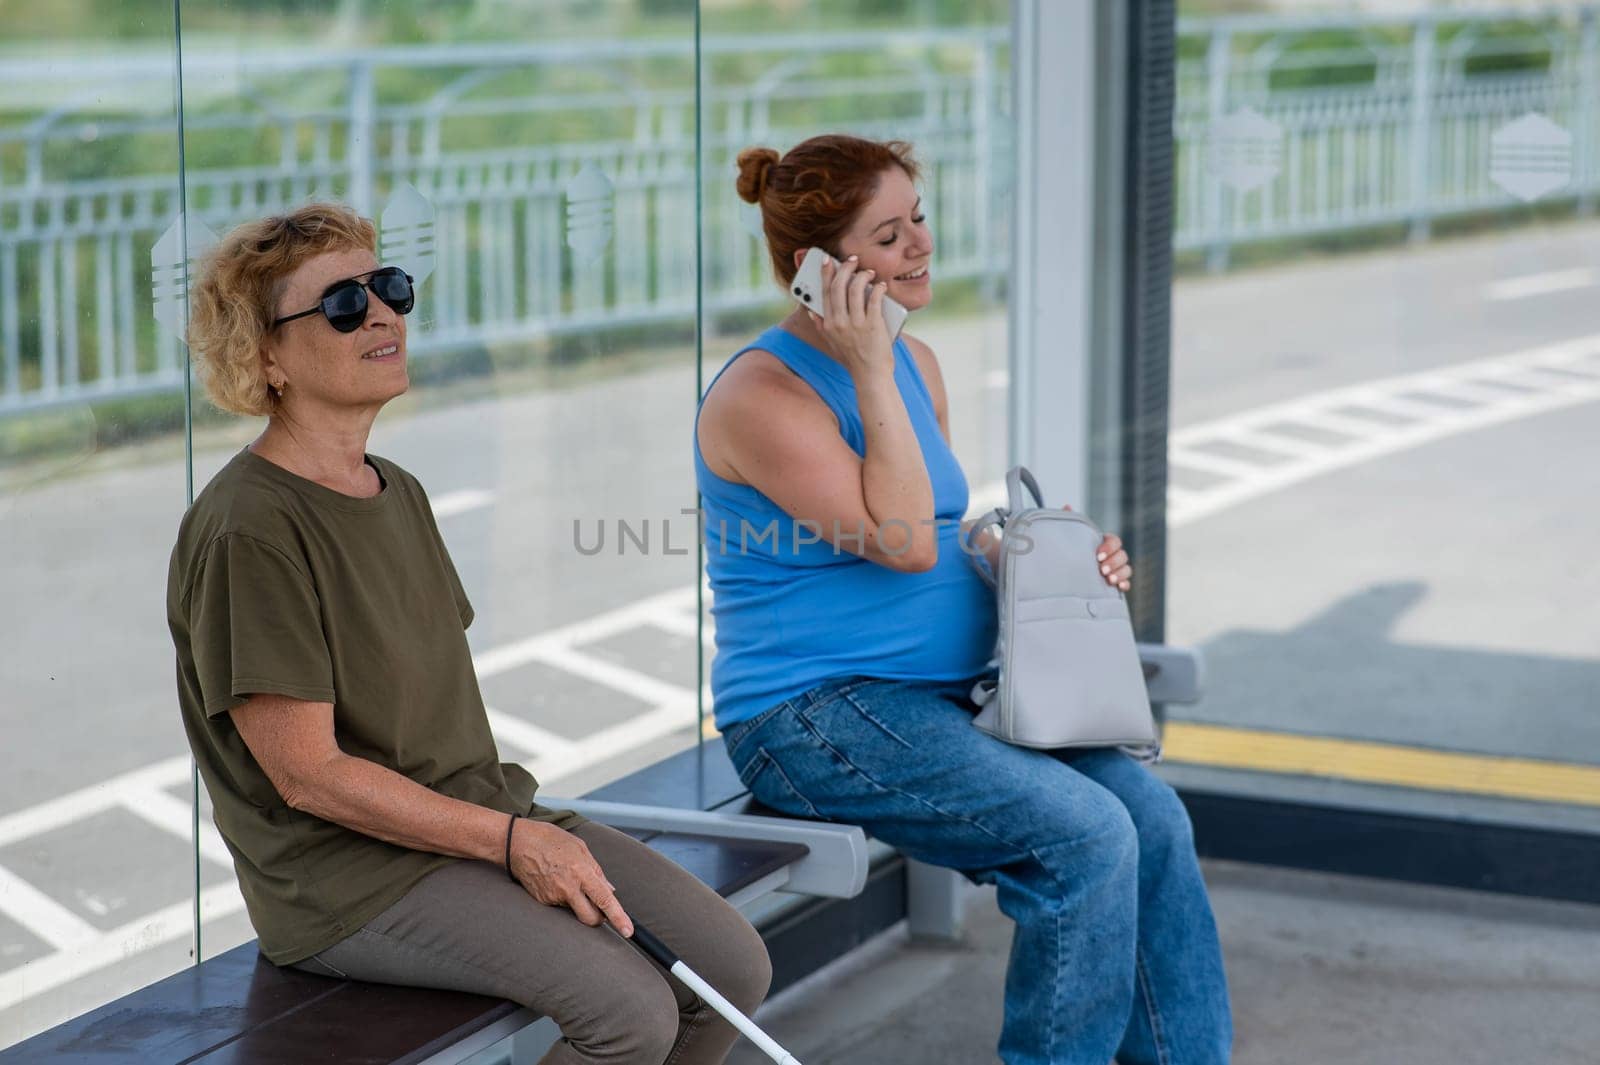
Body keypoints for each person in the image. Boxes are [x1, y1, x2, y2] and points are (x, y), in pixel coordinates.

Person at [167, 202, 770, 1065]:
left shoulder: (396, 488)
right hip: (349, 880)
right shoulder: (248, 530)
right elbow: (310, 778)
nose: (381, 313)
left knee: (729, 971)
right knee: (630, 1014)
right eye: (343, 304)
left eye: (389, 288)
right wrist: (515, 842)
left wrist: (513, 830)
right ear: (265, 356)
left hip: (475, 820)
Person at [694, 134, 1232, 1065]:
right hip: (815, 712)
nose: (920, 247)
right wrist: (865, 362)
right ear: (814, 268)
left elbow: (937, 530)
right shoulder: (762, 394)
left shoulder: (919, 364)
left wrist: (1044, 552)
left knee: (1152, 820)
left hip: (944, 698)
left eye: (920, 221)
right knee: (1089, 838)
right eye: (889, 235)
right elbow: (898, 542)